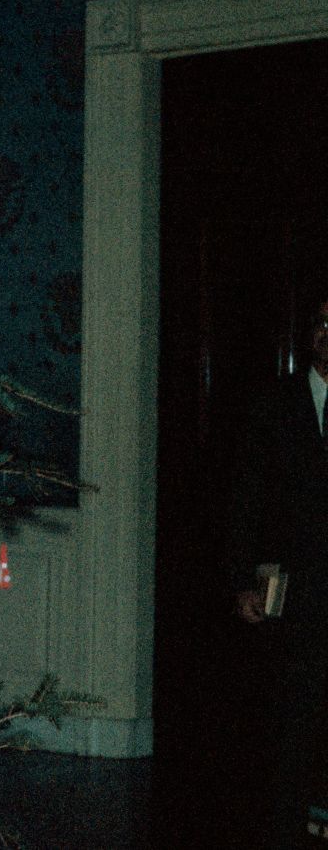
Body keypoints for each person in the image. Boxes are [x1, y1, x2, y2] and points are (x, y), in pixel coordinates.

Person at [229, 298, 328, 849]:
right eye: (323, 324)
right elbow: (245, 498)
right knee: (287, 732)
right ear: (311, 334)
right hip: (295, 598)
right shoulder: (276, 403)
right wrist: (242, 579)